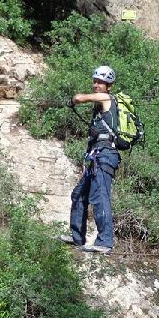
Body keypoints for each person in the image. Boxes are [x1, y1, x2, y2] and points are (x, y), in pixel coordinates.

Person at [59, 66, 120, 254]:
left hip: (105, 156)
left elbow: (79, 98)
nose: (96, 85)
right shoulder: (99, 106)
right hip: (96, 156)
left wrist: (73, 99)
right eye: (95, 81)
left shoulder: (106, 98)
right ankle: (77, 237)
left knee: (100, 197)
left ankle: (105, 242)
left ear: (109, 85)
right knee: (79, 194)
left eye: (100, 82)